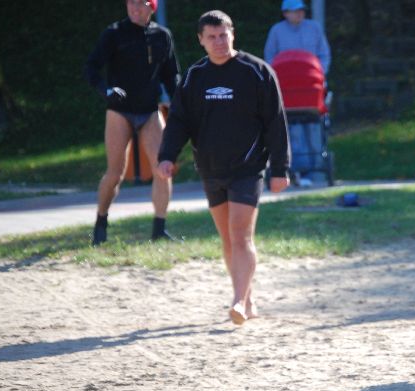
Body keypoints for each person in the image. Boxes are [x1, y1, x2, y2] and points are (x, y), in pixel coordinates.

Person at [157, 10, 290, 325]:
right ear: (201, 40)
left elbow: (276, 123)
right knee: (228, 239)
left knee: (240, 234)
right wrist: (167, 155)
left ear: (233, 34)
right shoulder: (194, 77)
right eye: (212, 37)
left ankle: (238, 302)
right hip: (210, 168)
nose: (219, 42)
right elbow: (179, 121)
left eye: (223, 35)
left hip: (248, 167)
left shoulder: (257, 72)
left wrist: (279, 168)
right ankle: (247, 297)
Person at [84, 0, 181, 246]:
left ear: (152, 7)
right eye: (131, 3)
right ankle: (101, 223)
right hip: (119, 111)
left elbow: (171, 75)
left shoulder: (162, 36)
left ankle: (159, 230)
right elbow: (92, 68)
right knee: (115, 173)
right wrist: (106, 90)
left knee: (163, 168)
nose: (135, 8)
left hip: (149, 110)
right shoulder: (114, 33)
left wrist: (180, 103)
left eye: (141, 3)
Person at [264, 0, 331, 186]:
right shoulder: (277, 31)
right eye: (295, 11)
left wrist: (319, 75)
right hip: (287, 90)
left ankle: (315, 169)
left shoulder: (314, 28)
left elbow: (324, 55)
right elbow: (270, 58)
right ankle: (295, 170)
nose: (299, 13)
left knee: (314, 129)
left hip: (311, 89)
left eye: (301, 10)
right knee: (293, 132)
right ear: (285, 13)